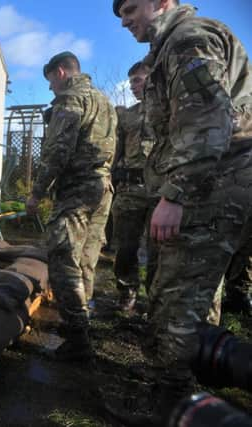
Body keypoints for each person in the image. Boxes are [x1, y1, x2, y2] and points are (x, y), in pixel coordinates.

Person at [112, 0, 252, 424]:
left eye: (131, 8)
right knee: (194, 295)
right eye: (119, 15)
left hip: (207, 192)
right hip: (211, 189)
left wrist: (174, 195)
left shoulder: (188, 40)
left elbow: (208, 123)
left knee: (175, 303)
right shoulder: (174, 44)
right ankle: (190, 388)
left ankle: (173, 405)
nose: (125, 20)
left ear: (161, 2)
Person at [26, 51, 116, 361]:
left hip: (77, 190)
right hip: (103, 189)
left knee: (63, 259)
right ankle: (83, 322)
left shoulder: (70, 101)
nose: (50, 87)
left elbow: (56, 152)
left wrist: (37, 193)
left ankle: (78, 339)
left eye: (50, 80)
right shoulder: (103, 101)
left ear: (61, 73)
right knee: (87, 257)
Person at [111, 61, 157, 314]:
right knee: (125, 247)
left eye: (138, 80)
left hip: (158, 190)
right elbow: (116, 151)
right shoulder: (127, 115)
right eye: (131, 82)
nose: (133, 86)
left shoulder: (170, 110)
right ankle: (127, 292)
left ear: (152, 79)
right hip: (129, 189)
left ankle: (155, 299)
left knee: (157, 250)